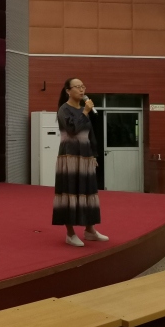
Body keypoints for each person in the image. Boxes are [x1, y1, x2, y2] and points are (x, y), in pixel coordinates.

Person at [52, 78, 109, 247]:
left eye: (83, 86)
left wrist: (94, 155)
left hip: (85, 156)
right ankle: (70, 234)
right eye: (77, 87)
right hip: (69, 156)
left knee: (88, 192)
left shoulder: (85, 110)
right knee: (69, 192)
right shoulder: (64, 109)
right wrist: (85, 112)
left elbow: (90, 135)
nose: (82, 89)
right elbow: (72, 130)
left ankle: (90, 230)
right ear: (68, 91)